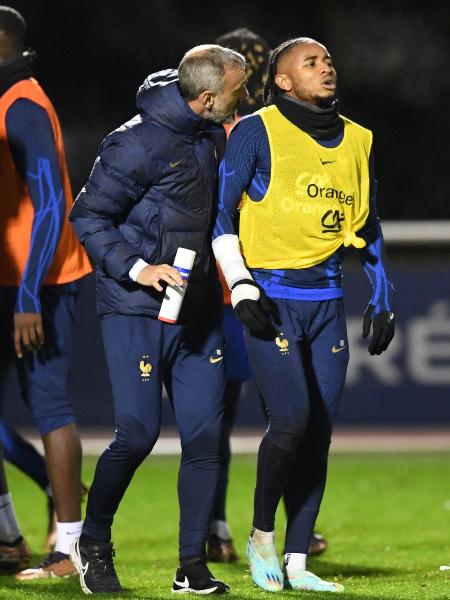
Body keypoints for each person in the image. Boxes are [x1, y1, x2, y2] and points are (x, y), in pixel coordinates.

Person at [212, 37, 395, 593]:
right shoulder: (256, 131)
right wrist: (240, 287)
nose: (326, 69)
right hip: (271, 299)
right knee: (289, 420)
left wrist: (382, 292)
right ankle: (261, 535)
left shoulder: (358, 140)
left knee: (319, 432)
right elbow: (221, 218)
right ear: (284, 81)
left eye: (329, 61)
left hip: (326, 302)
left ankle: (296, 560)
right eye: (311, 63)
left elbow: (369, 226)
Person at [68, 45, 248, 595]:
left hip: (194, 310)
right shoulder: (133, 142)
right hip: (136, 306)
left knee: (204, 436)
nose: (247, 101)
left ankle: (190, 565)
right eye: (240, 91)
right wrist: (140, 268)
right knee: (139, 433)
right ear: (209, 97)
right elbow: (88, 215)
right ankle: (92, 543)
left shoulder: (212, 133)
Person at [208, 27, 327, 564]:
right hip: (233, 287)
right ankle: (239, 526)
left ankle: (242, 529)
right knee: (265, 414)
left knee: (259, 414)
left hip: (235, 287)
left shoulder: (253, 129)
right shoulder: (239, 131)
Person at [0, 5, 92, 579]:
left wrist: (29, 296)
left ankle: (71, 547)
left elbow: (52, 203)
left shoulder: (24, 103)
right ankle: (9, 538)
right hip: (7, 279)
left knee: (49, 407)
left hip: (40, 284)